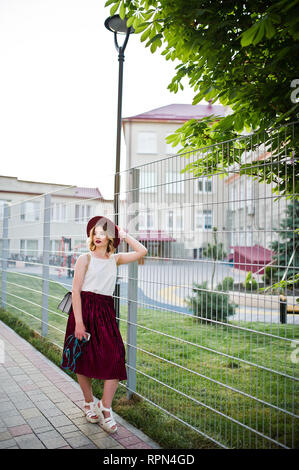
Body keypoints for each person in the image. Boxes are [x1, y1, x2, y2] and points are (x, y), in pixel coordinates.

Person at [61, 216, 147, 434]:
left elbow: (142, 252)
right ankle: (89, 403)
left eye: (103, 233)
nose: (98, 236)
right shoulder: (85, 259)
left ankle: (105, 407)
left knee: (116, 356)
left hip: (105, 312)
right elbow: (76, 292)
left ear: (110, 237)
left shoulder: (115, 259)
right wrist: (79, 323)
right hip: (84, 310)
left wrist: (125, 235)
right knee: (82, 357)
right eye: (95, 233)